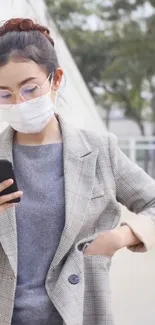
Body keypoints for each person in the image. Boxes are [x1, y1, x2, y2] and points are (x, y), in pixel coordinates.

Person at [0, 17, 154, 325]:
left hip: (82, 315)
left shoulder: (100, 151)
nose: (19, 102)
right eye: (5, 94)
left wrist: (119, 237)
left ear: (56, 79)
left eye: (29, 89)